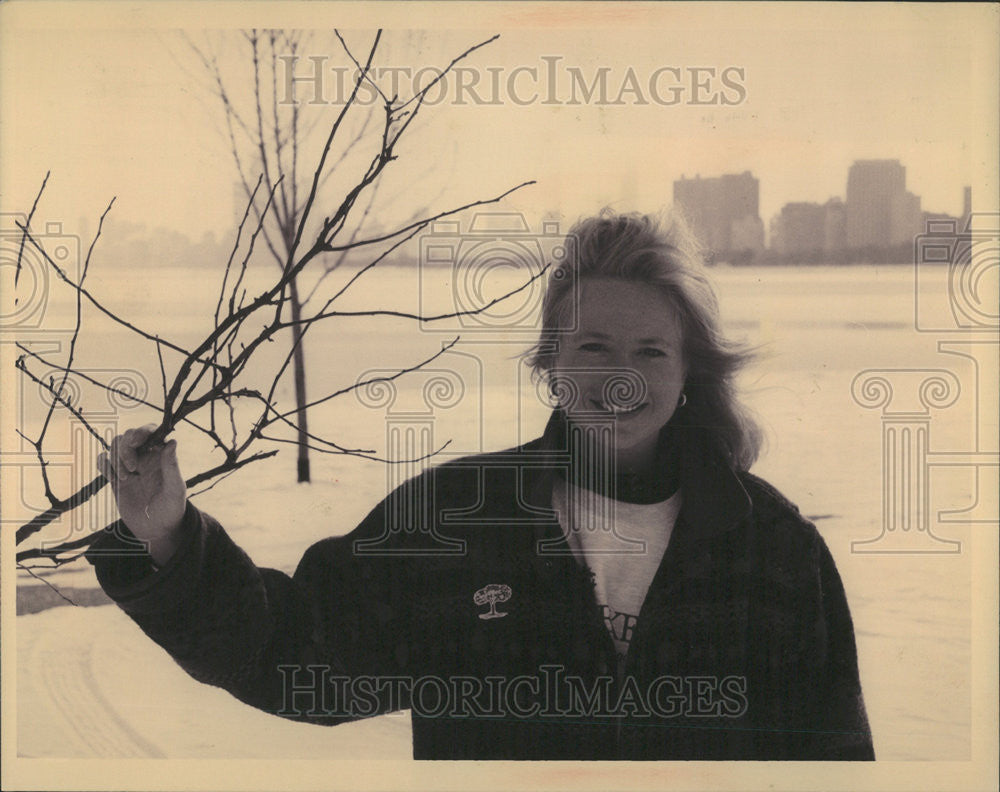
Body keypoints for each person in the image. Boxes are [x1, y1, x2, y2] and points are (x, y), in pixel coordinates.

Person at [89, 209, 875, 760]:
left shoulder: (773, 548)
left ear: (689, 373)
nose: (622, 379)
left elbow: (832, 756)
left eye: (651, 352)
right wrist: (167, 538)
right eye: (594, 347)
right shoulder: (456, 522)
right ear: (549, 365)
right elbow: (293, 654)